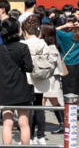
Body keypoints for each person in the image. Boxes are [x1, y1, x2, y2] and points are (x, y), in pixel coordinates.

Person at [0, 16, 33, 145]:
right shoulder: (23, 47)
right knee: (24, 123)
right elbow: (29, 68)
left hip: (5, 88)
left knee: (7, 123)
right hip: (21, 87)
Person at [21, 16, 53, 145]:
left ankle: (28, 136)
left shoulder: (23, 44)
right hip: (40, 77)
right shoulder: (43, 43)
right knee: (39, 106)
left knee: (27, 108)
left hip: (27, 78)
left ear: (24, 31)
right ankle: (41, 136)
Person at [57, 15, 79, 104]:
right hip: (78, 62)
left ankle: (69, 107)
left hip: (67, 63)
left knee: (67, 87)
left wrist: (64, 26)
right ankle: (77, 107)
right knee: (78, 87)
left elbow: (54, 30)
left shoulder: (65, 35)